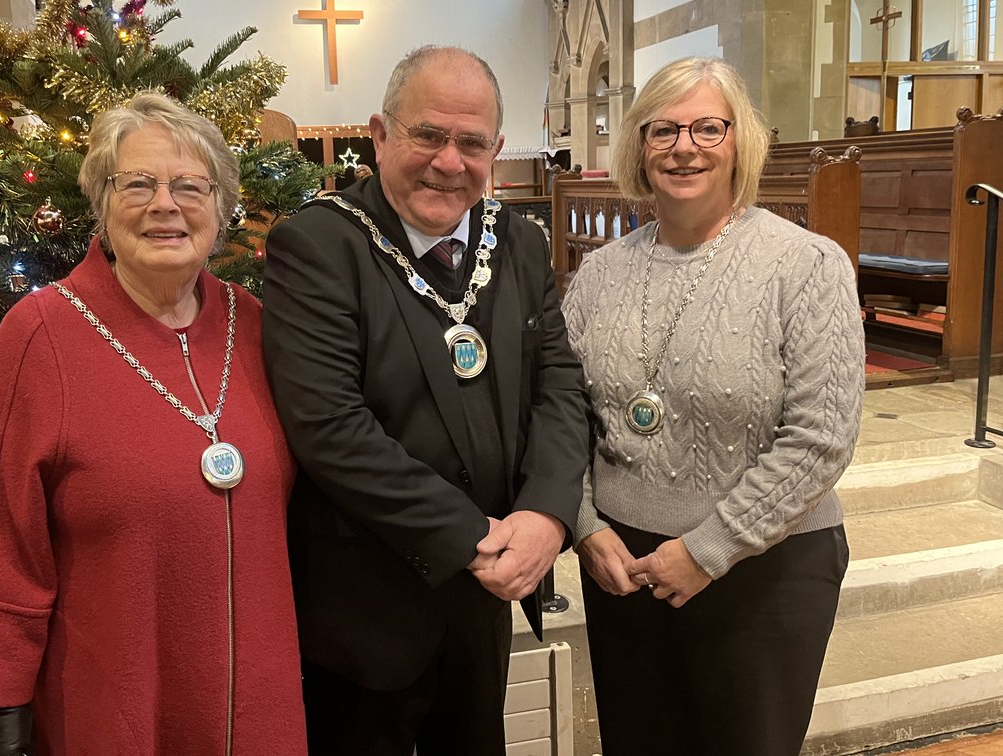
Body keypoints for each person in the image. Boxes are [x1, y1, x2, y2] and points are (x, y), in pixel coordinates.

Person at [0, 92, 306, 755]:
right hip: (115, 700)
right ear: (102, 203)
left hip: (262, 701)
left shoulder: (256, 326)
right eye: (138, 184)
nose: (165, 205)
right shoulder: (40, 336)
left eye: (189, 186)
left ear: (222, 207)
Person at [261, 45, 589, 756]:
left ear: (496, 150)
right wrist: (470, 537)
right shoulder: (316, 247)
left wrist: (546, 515)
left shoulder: (521, 245)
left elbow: (560, 386)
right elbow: (329, 427)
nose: (449, 161)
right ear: (380, 135)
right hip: (367, 610)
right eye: (428, 135)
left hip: (483, 600)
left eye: (471, 143)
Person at [564, 56, 864, 756]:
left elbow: (822, 437)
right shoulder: (599, 274)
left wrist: (707, 550)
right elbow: (560, 416)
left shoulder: (807, 265)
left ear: (739, 142)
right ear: (639, 146)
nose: (684, 147)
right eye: (662, 129)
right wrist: (582, 523)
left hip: (765, 567)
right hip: (622, 565)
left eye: (707, 127)